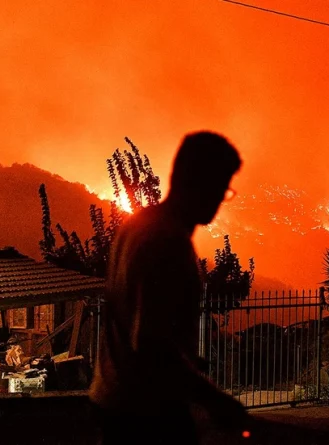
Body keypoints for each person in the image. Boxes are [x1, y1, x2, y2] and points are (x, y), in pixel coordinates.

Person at [89, 131, 252, 445]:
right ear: (197, 182)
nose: (222, 197)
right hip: (147, 413)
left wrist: (188, 360)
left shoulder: (135, 226)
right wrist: (214, 399)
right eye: (221, 187)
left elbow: (132, 319)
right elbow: (151, 345)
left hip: (114, 399)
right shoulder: (167, 243)